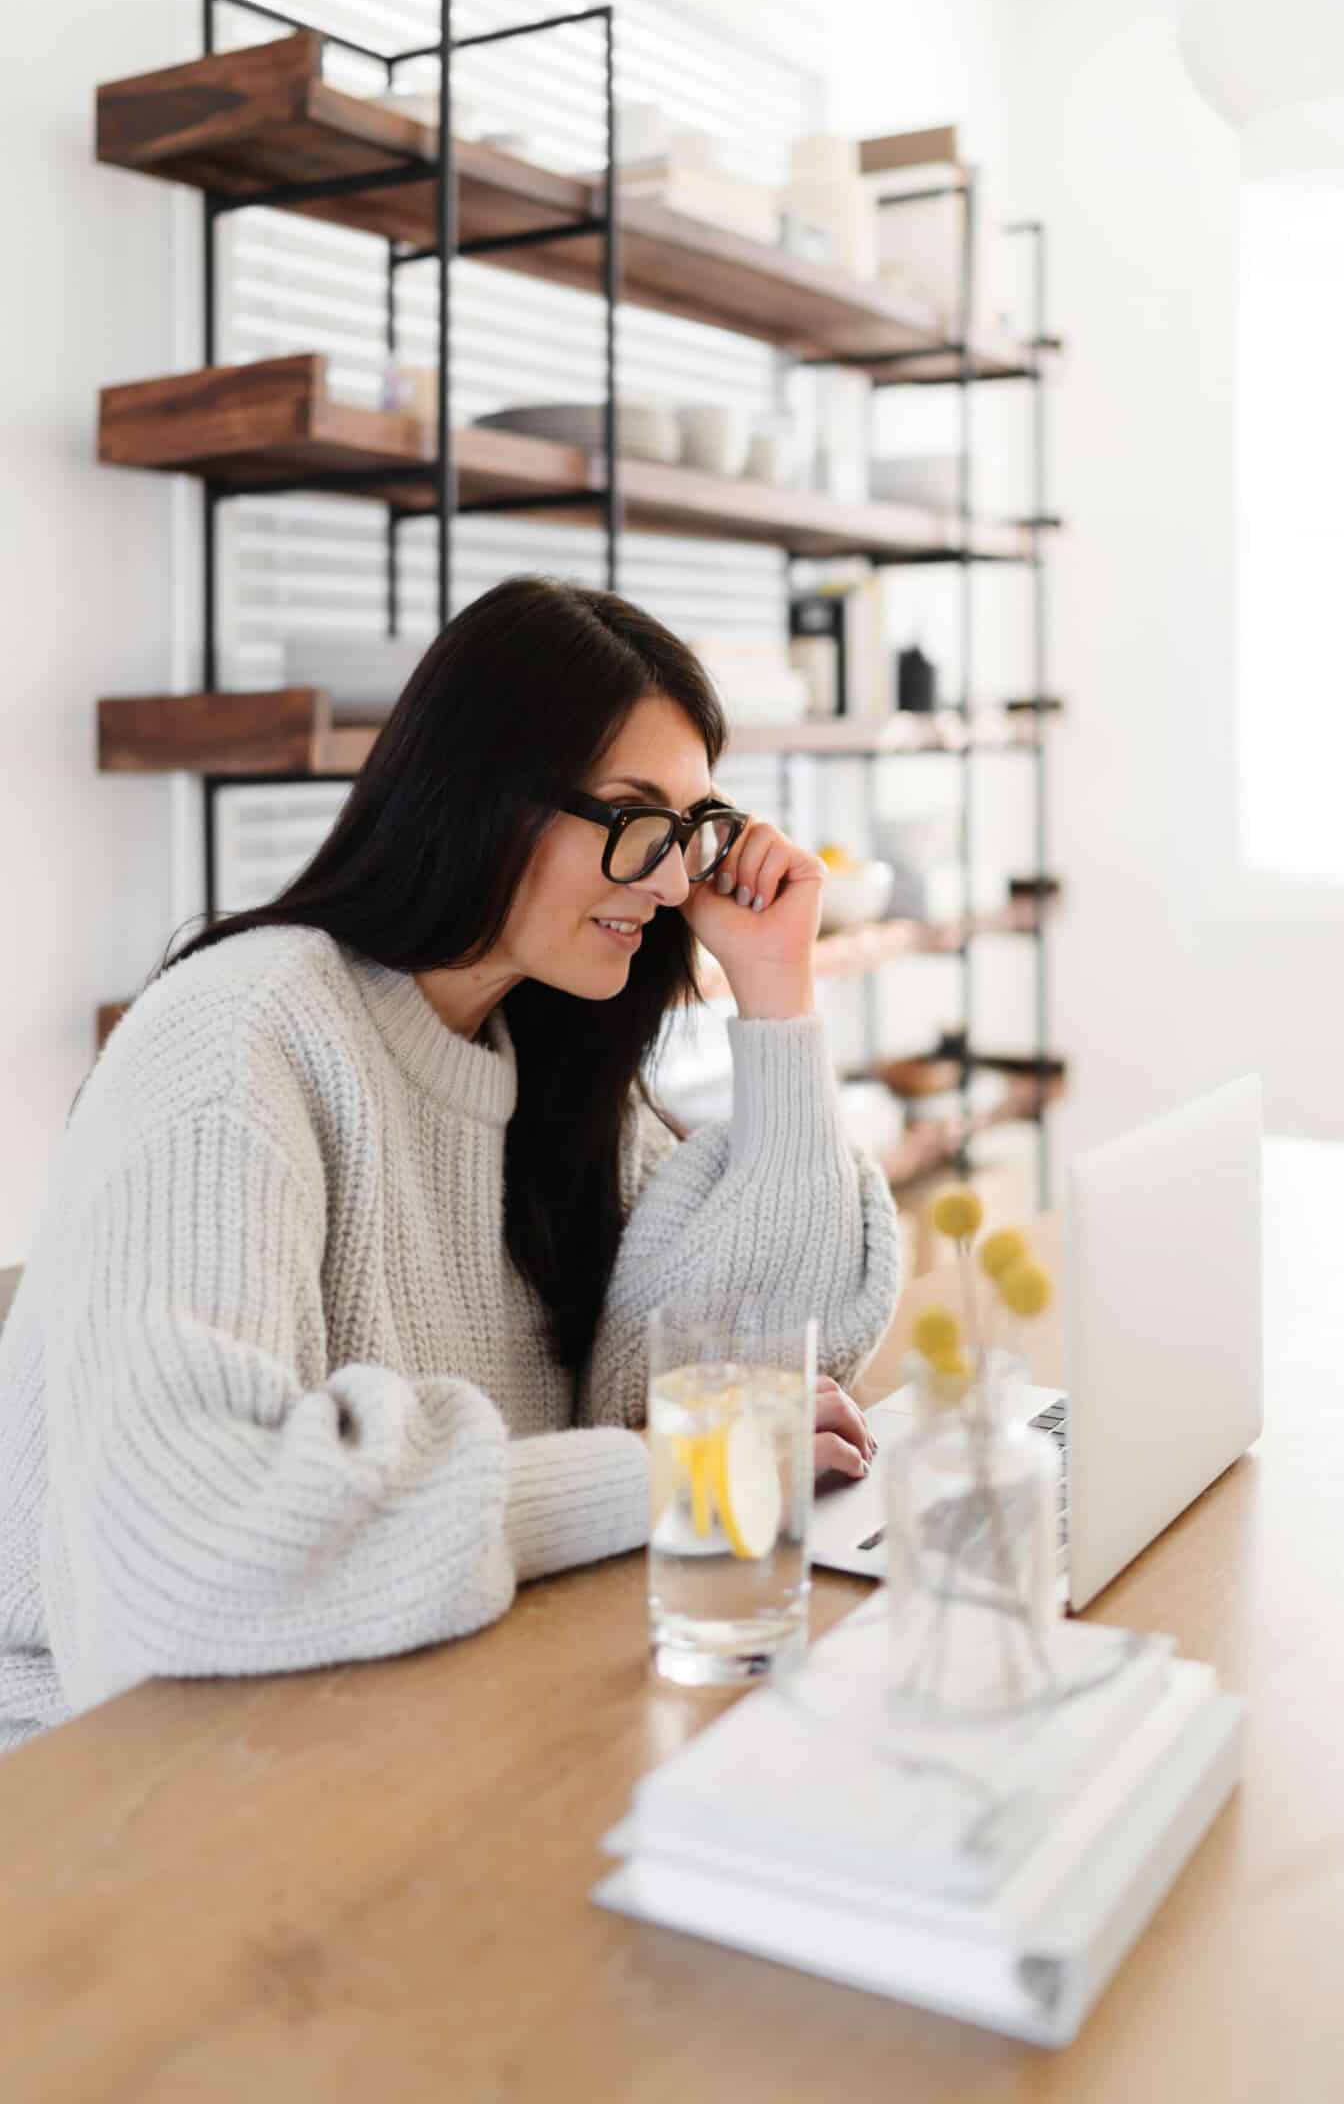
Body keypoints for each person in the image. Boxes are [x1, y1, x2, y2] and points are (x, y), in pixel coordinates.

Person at [0, 576, 899, 1753]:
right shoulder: (237, 1036)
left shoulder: (538, 1057)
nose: (679, 881)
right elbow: (189, 1560)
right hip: (121, 1780)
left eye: (694, 831)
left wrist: (778, 995)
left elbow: (770, 1364)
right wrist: (662, 1472)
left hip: (409, 1706)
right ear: (486, 795)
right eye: (637, 816)